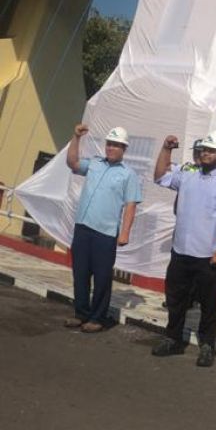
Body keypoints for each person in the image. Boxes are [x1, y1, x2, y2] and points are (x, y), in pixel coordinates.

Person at [151, 130, 216, 367]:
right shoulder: (186, 175)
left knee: (209, 305)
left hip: (207, 256)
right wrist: (166, 148)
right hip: (180, 251)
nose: (205, 154)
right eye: (204, 149)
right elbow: (160, 177)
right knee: (175, 298)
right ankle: (173, 339)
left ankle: (207, 345)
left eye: (211, 150)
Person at [64, 123, 142, 332]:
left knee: (102, 277)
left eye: (116, 145)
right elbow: (72, 162)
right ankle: (81, 313)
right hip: (83, 227)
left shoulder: (128, 174)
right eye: (109, 144)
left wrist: (125, 232)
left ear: (124, 149)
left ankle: (97, 317)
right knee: (80, 273)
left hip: (105, 233)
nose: (111, 148)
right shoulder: (94, 164)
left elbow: (131, 204)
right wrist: (76, 137)